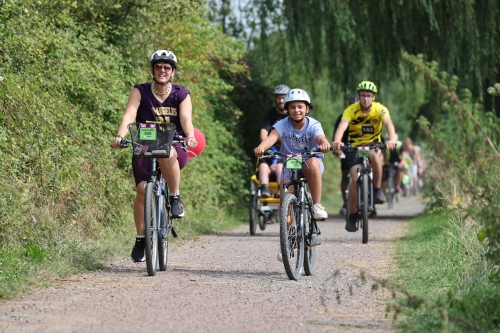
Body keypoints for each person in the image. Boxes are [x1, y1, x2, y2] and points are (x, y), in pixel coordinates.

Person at [111, 50, 198, 262]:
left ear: (173, 72)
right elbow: (129, 114)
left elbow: (186, 118)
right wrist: (119, 136)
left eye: (167, 67)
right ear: (152, 69)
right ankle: (141, 238)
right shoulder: (140, 90)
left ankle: (175, 196)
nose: (162, 70)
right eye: (158, 67)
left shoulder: (181, 93)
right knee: (141, 190)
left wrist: (190, 136)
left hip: (174, 145)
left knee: (166, 153)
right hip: (145, 145)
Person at [254, 88, 331, 261]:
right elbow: (272, 137)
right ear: (287, 109)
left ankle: (317, 205)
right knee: (285, 197)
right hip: (290, 162)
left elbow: (320, 138)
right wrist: (262, 147)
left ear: (307, 109)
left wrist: (324, 143)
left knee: (311, 163)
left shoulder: (313, 124)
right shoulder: (282, 124)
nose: (296, 110)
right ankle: (287, 240)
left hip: (311, 162)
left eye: (300, 107)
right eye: (293, 107)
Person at [332, 81, 396, 232]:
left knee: (375, 156)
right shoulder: (351, 110)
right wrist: (337, 141)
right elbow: (342, 126)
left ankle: (377, 189)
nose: (365, 99)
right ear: (358, 96)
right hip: (355, 147)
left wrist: (392, 139)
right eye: (362, 96)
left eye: (368, 96)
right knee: (354, 179)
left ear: (373, 97)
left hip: (374, 144)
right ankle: (353, 215)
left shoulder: (380, 109)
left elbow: (389, 124)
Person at [258, 84, 290, 198]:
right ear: (275, 99)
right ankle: (265, 190)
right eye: (278, 98)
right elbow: (263, 132)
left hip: (288, 152)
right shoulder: (270, 113)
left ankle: (280, 190)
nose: (281, 100)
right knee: (262, 164)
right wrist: (265, 146)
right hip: (271, 150)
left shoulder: (292, 114)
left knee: (281, 166)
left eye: (283, 97)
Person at [333, 95, 358, 215]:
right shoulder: (343, 117)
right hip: (347, 148)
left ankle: (370, 198)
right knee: (345, 174)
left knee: (369, 166)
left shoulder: (365, 117)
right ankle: (345, 202)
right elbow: (337, 134)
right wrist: (338, 148)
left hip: (362, 146)